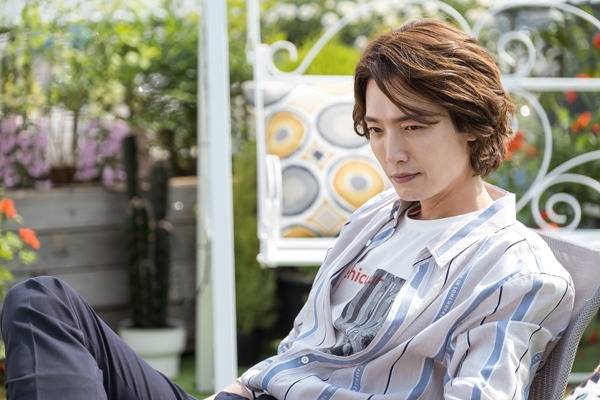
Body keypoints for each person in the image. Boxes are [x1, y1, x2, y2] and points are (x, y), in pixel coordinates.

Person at [1, 19, 574, 400]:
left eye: (415, 127)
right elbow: (303, 345)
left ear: (472, 125)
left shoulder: (514, 272)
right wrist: (243, 388)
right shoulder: (375, 219)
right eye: (376, 130)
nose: (391, 153)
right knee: (41, 300)